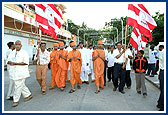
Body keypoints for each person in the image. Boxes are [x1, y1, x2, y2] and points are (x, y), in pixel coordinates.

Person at [7, 40, 32, 107]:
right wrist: (10, 62)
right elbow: (8, 60)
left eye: (19, 44)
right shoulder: (12, 53)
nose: (17, 45)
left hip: (21, 73)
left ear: (21, 45)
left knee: (17, 86)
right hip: (13, 73)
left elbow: (26, 62)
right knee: (21, 85)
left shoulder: (24, 53)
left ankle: (16, 100)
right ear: (14, 45)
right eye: (16, 44)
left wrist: (15, 63)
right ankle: (28, 95)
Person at [156, 45, 164, 111]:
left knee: (163, 90)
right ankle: (162, 106)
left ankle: (160, 103)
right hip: (163, 71)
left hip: (162, 71)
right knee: (164, 90)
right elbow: (161, 64)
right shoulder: (163, 52)